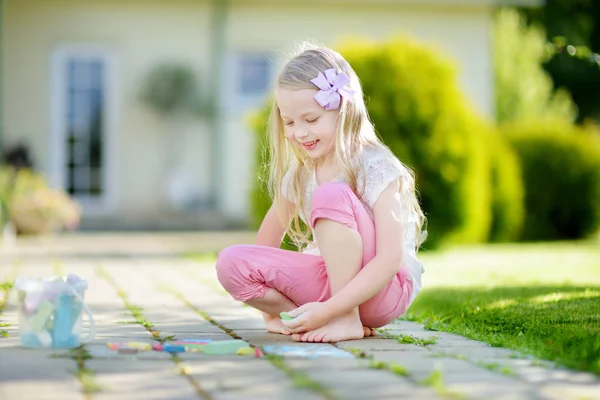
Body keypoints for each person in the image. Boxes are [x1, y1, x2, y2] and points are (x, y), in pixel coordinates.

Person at [216, 43, 426, 343]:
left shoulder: (374, 164)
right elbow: (266, 244)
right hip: (326, 289)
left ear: (344, 110)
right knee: (230, 262)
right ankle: (303, 320)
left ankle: (344, 319)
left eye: (311, 120)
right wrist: (272, 314)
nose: (299, 132)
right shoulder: (301, 175)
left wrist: (332, 310)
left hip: (383, 290)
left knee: (331, 195)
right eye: (289, 122)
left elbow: (389, 260)